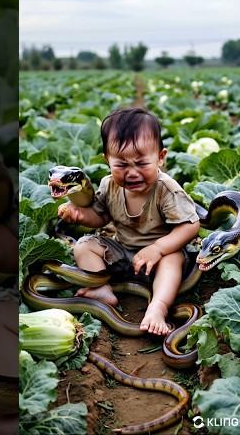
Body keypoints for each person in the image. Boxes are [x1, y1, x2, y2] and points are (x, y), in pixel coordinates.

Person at [58, 107, 200, 336]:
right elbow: (101, 217)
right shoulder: (109, 185)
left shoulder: (166, 190)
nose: (132, 173)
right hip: (123, 252)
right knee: (84, 245)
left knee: (173, 259)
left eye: (142, 163)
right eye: (121, 165)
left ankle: (158, 307)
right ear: (107, 160)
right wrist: (82, 216)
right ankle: (102, 289)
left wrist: (158, 248)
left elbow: (191, 226)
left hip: (160, 256)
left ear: (161, 158)